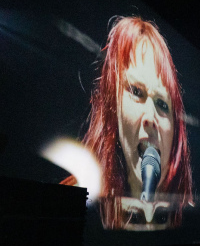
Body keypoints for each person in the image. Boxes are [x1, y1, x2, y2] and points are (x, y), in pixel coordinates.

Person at [63, 17, 192, 229]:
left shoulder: (193, 221)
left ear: (176, 131)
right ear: (112, 106)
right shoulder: (72, 206)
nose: (150, 117)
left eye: (162, 103)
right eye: (136, 92)